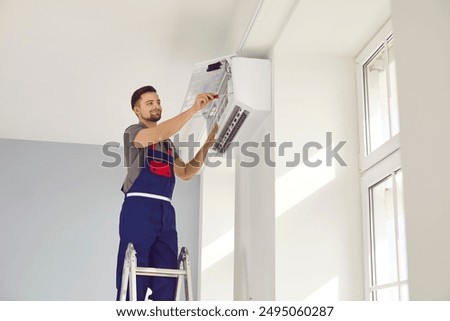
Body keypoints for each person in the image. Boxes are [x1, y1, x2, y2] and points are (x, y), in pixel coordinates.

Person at [116, 85, 218, 301]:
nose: (156, 106)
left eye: (158, 102)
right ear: (137, 110)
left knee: (167, 278)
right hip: (139, 209)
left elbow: (187, 172)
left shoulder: (168, 146)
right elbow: (160, 132)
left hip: (166, 213)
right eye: (150, 103)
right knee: (136, 275)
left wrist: (208, 143)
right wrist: (193, 110)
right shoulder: (133, 133)